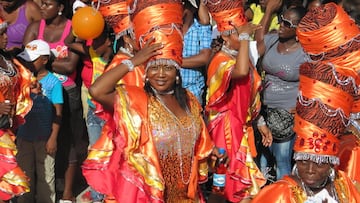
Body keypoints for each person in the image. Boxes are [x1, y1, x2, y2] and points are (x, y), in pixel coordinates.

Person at [82, 0, 215, 202]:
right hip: (149, 195)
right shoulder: (136, 99)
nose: (160, 74)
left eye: (167, 67)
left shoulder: (189, 101)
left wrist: (213, 155)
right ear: (145, 72)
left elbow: (200, 144)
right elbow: (97, 90)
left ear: (177, 73)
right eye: (153, 68)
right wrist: (133, 61)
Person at [252, 3, 360, 202]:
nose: (310, 169)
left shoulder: (344, 186)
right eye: (304, 162)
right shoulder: (281, 194)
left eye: (318, 163)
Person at [204, 0, 270, 202]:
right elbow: (241, 73)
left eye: (244, 34)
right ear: (224, 36)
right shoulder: (220, 61)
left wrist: (260, 123)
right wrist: (244, 37)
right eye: (238, 34)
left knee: (244, 190)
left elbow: (251, 94)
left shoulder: (241, 58)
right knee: (234, 187)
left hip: (241, 127)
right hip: (226, 130)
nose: (244, 38)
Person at [22, 0, 83, 202]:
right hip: (37, 91)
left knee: (67, 139)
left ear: (60, 7)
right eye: (41, 3)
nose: (41, 7)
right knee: (40, 141)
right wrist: (47, 62)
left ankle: (67, 192)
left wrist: (45, 61)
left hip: (66, 90)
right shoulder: (34, 27)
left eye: (47, 4)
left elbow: (70, 66)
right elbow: (26, 61)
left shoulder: (73, 27)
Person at [254, 2, 307, 180]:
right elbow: (255, 48)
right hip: (264, 109)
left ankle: (285, 195)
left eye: (288, 24)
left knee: (282, 158)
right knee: (263, 155)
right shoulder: (273, 39)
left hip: (287, 113)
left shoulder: (305, 53)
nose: (282, 26)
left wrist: (303, 106)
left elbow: (315, 82)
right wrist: (269, 12)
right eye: (282, 20)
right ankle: (262, 194)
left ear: (299, 29)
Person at [16, 39, 63, 203]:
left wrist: (53, 138)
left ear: (45, 60)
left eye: (32, 60)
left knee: (46, 178)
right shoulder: (22, 80)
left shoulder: (53, 83)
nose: (28, 64)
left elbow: (58, 112)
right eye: (26, 60)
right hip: (23, 137)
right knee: (24, 175)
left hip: (45, 138)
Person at [0, 16, 33, 201]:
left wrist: (30, 85)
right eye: (1, 34)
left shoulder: (6, 57)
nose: (6, 37)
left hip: (9, 127)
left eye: (5, 32)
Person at [181, 0, 212, 105]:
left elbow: (205, 57)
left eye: (183, 4)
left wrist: (173, 61)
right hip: (169, 92)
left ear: (193, 8)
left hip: (193, 92)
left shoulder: (200, 29)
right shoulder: (169, 30)